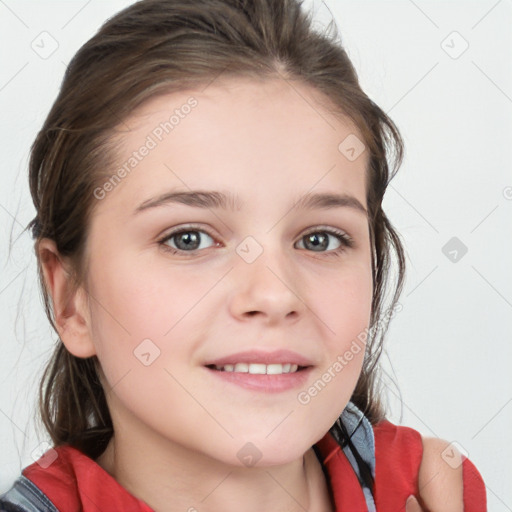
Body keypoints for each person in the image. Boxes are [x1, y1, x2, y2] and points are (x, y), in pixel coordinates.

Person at [0, 0, 486, 510]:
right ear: (70, 299)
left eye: (319, 239)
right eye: (188, 238)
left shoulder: (430, 490)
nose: (275, 294)